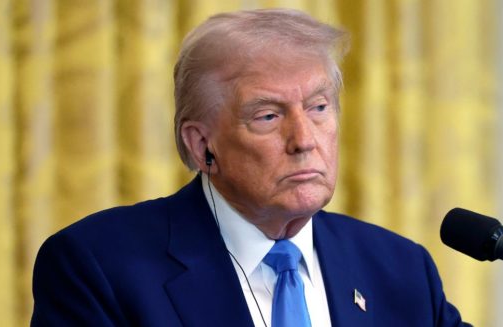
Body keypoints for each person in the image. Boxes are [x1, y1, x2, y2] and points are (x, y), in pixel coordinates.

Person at [31, 8, 471, 327]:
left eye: (318, 108)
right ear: (202, 144)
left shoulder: (400, 269)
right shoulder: (99, 267)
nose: (304, 140)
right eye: (268, 116)